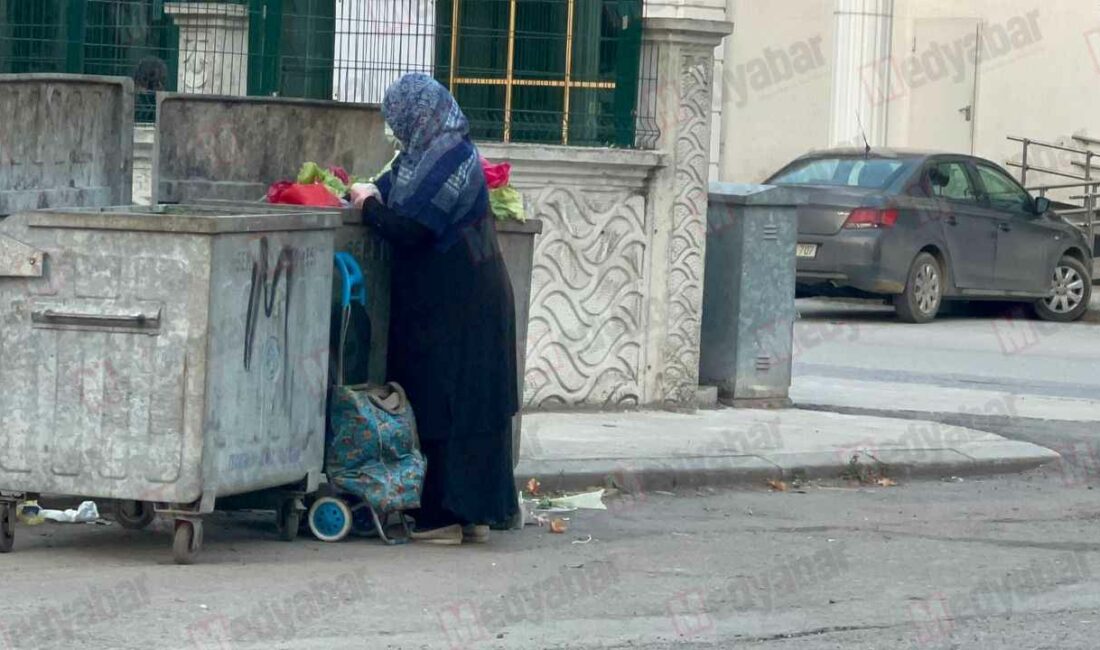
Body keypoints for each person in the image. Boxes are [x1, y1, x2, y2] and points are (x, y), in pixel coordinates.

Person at [349, 73, 519, 545]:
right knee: (457, 399)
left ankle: (444, 517)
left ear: (417, 116)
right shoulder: (418, 159)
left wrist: (368, 208)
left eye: (399, 119)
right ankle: (471, 514)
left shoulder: (451, 159)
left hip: (464, 301)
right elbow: (388, 189)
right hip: (449, 298)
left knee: (450, 400)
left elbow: (413, 229)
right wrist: (365, 193)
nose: (396, 130)